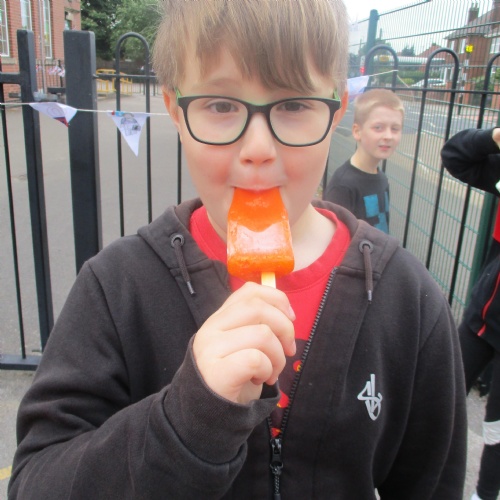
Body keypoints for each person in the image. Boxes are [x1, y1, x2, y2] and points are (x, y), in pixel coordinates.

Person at [9, 1, 466, 498]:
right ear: (175, 111)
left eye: (294, 105)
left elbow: (433, 483)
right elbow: (36, 483)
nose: (258, 148)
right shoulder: (117, 288)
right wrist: (189, 418)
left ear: (337, 108)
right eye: (221, 106)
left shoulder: (408, 300)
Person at [441, 127, 500, 500]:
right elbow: (455, 157)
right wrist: (493, 136)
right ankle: (425, 477)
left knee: (497, 429)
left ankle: (486, 493)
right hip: (483, 319)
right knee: (443, 395)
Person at [323, 88, 404, 234]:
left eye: (395, 129)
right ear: (357, 131)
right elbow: (334, 237)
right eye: (378, 128)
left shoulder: (382, 178)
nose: (388, 136)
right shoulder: (342, 186)